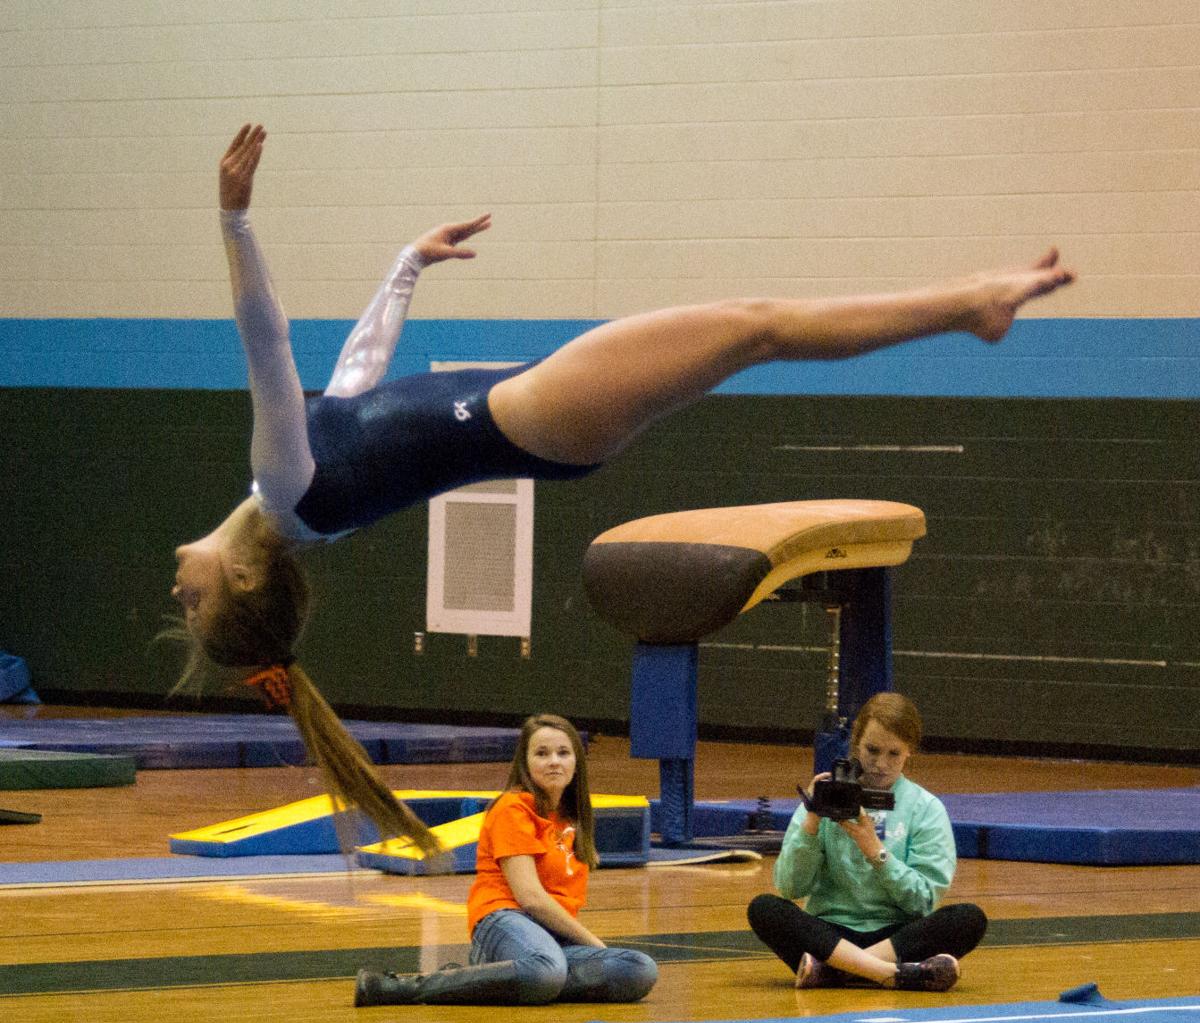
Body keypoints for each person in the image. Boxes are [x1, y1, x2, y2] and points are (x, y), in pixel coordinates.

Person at [171, 123, 1075, 845]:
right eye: (195, 605)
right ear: (245, 581)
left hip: (542, 417)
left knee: (754, 330)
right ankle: (969, 305)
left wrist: (407, 265)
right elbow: (268, 343)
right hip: (534, 412)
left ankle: (969, 305)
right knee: (756, 328)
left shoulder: (295, 501)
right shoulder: (286, 493)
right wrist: (235, 223)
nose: (179, 589)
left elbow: (354, 379)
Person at [354, 714, 658, 1005]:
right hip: (504, 922)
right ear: (525, 762)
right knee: (547, 969)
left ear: (576, 761)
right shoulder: (513, 809)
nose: (554, 761)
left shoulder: (572, 817)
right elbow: (531, 898)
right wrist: (596, 946)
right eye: (542, 753)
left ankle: (493, 983)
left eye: (563, 753)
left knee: (638, 969)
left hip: (551, 938)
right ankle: (407, 987)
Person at [747, 693, 987, 991]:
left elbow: (923, 901)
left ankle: (837, 972)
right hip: (829, 934)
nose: (880, 764)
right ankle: (891, 974)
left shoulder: (925, 808)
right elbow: (790, 887)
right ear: (856, 743)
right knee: (764, 908)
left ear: (909, 752)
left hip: (895, 937)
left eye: (893, 754)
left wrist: (876, 852)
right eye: (872, 750)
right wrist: (811, 823)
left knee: (968, 919)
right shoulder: (825, 797)